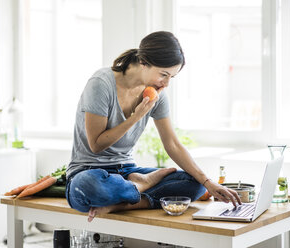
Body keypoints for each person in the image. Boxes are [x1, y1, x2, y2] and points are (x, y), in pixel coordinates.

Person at [65, 31, 241, 222]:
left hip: (127, 171)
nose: (165, 84)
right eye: (163, 75)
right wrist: (136, 116)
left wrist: (208, 182)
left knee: (195, 184)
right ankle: (140, 186)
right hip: (88, 170)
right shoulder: (101, 83)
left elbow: (172, 144)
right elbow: (96, 144)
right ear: (143, 62)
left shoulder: (158, 95)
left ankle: (119, 203)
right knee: (89, 187)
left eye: (171, 77)